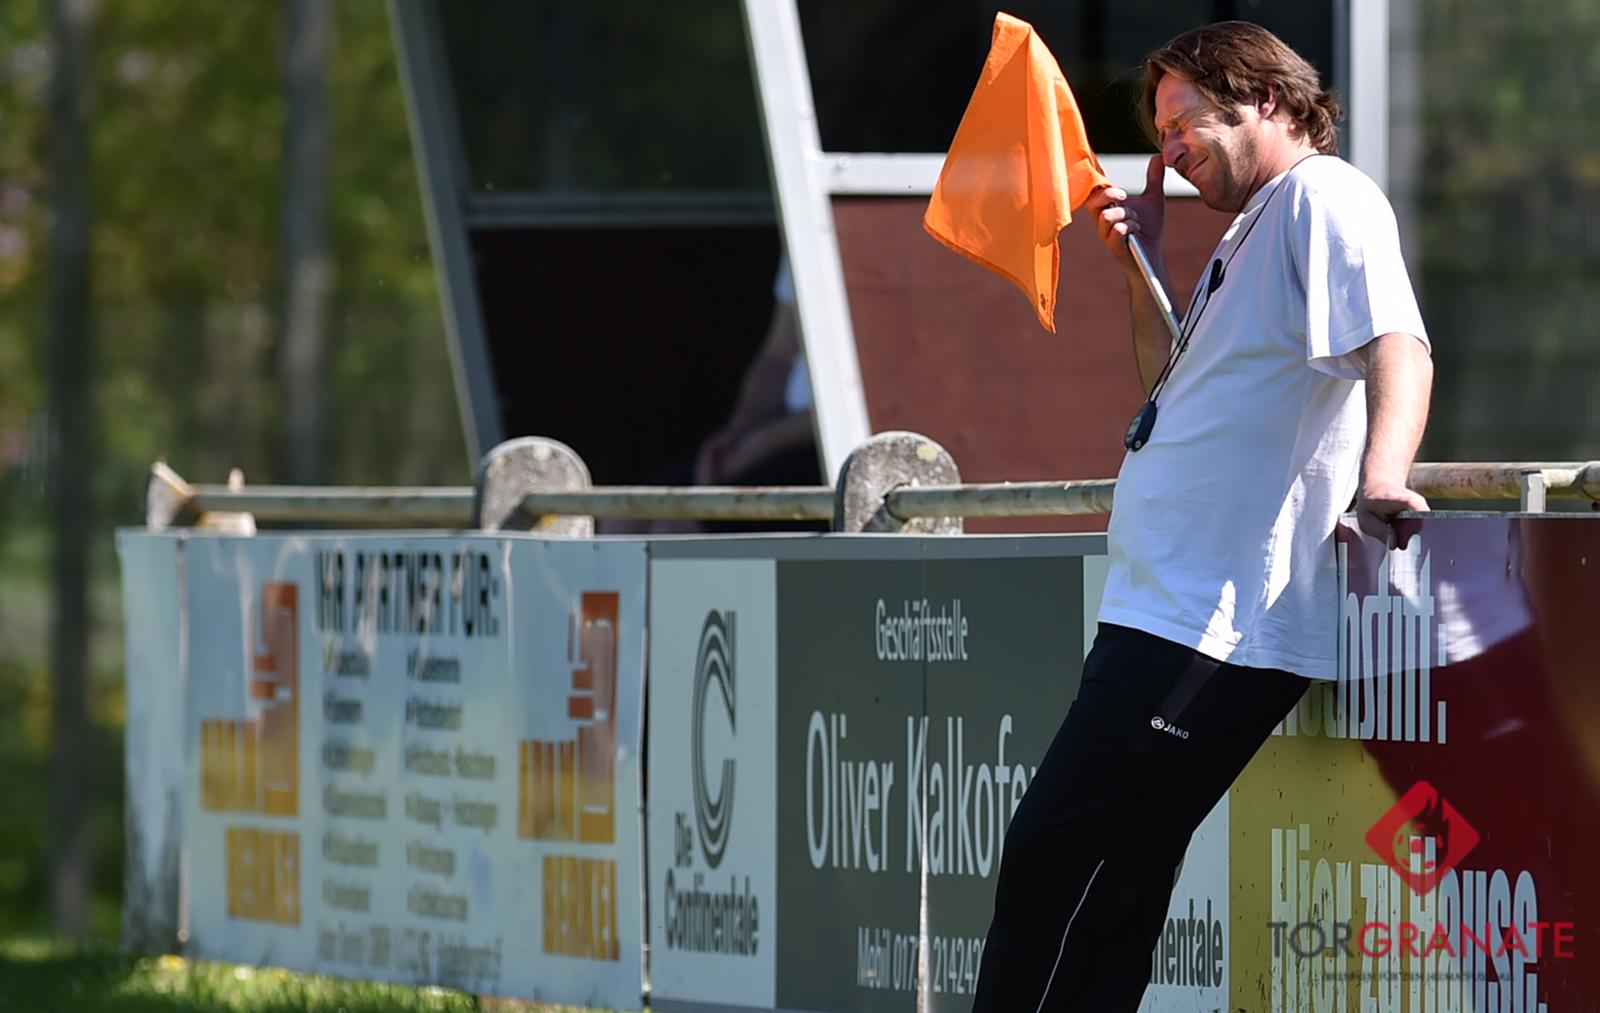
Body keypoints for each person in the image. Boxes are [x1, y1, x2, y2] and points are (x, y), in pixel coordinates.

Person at [970, 22, 1433, 1011]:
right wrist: (1139, 261)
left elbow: (1399, 342)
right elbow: (1169, 388)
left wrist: (1384, 474)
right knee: (1109, 888)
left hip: (1213, 623)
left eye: (1184, 121)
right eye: (1162, 132)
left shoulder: (1324, 194)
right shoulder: (1253, 224)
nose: (1170, 149)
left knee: (1058, 863)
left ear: (1264, 98)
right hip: (1171, 612)